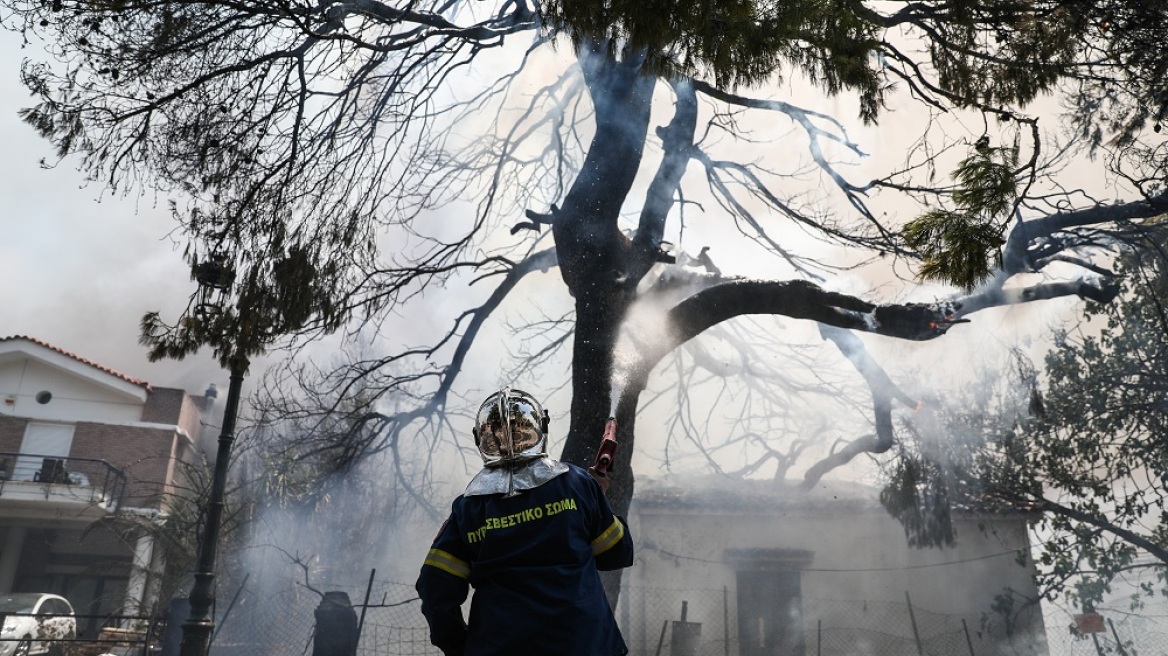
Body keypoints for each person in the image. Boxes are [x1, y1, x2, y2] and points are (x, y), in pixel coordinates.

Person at [416, 388, 634, 656]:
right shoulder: (577, 485)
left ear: (481, 439)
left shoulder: (469, 510)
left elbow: (435, 586)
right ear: (541, 428)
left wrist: (459, 645)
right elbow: (615, 553)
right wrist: (597, 500)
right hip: (584, 645)